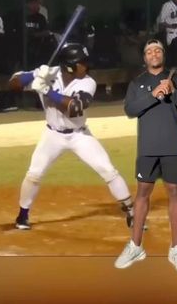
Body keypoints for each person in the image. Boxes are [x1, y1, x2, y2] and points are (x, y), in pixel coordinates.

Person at [9, 43, 134, 230]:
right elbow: (13, 84)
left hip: (80, 136)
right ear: (69, 66)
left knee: (108, 170)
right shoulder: (48, 73)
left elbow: (75, 107)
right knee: (34, 174)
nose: (86, 66)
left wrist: (46, 90)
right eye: (81, 63)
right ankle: (22, 217)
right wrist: (33, 76)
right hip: (52, 135)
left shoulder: (88, 82)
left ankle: (133, 214)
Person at [114, 39, 177, 275]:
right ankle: (136, 245)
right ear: (144, 57)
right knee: (142, 194)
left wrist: (174, 93)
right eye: (149, 51)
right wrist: (153, 94)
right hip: (147, 148)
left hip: (172, 146)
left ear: (163, 54)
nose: (153, 53)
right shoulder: (138, 82)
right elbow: (130, 110)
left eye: (157, 50)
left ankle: (176, 248)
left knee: (174, 192)